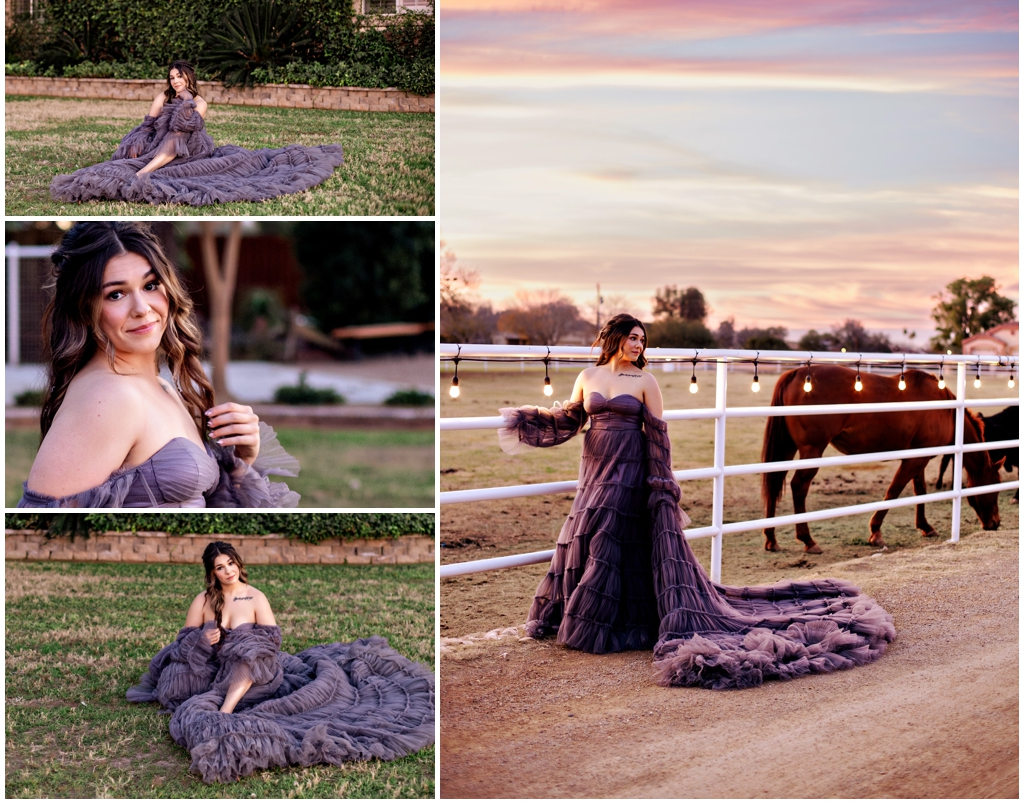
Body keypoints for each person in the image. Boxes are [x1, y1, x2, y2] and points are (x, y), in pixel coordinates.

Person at [498, 313, 895, 689]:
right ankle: (602, 617)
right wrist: (526, 420)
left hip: (632, 468)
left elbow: (657, 436)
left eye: (642, 339)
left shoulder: (645, 381)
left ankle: (605, 623)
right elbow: (571, 419)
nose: (638, 344)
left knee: (610, 535)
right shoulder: (588, 376)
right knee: (592, 531)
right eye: (632, 337)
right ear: (614, 338)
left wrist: (661, 485)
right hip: (595, 467)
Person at [18, 221, 300, 508]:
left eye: (150, 285)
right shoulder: (109, 397)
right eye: (116, 294)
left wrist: (241, 459)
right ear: (84, 307)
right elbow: (39, 525)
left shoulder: (160, 385)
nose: (142, 308)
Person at [127, 541, 434, 783]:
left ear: (239, 564)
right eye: (220, 567)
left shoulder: (255, 597)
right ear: (212, 573)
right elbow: (183, 642)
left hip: (258, 669)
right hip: (216, 668)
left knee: (251, 654)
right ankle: (225, 704)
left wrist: (246, 643)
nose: (228, 571)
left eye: (231, 563)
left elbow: (273, 640)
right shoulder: (204, 601)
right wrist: (203, 640)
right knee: (184, 674)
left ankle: (225, 714)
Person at [50, 60, 344, 206]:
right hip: (159, 145)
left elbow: (179, 136)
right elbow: (146, 128)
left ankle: (147, 171)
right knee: (114, 167)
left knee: (164, 160)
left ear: (189, 77)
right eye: (171, 77)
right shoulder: (161, 98)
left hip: (189, 148)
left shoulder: (199, 103)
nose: (175, 81)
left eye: (179, 76)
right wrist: (136, 146)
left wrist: (147, 171)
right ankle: (145, 167)